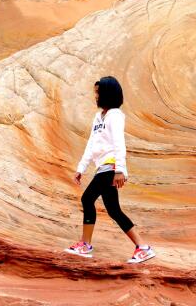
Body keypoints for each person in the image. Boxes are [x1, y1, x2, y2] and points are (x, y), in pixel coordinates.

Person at [64, 76, 155, 263]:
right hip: (102, 168)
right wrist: (81, 167)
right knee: (114, 210)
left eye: (98, 93)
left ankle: (85, 244)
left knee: (87, 198)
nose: (95, 96)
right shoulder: (98, 117)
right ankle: (143, 247)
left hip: (111, 166)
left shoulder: (115, 116)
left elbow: (118, 143)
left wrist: (120, 170)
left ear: (107, 93)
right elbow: (91, 144)